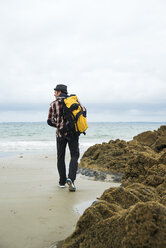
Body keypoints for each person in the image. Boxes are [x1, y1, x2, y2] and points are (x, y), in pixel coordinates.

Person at [47, 84, 86, 192]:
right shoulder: (74, 101)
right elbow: (83, 111)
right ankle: (71, 179)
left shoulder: (53, 104)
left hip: (60, 134)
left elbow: (49, 121)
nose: (54, 94)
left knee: (60, 157)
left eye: (55, 92)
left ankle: (62, 182)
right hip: (73, 133)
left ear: (59, 92)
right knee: (74, 155)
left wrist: (59, 125)